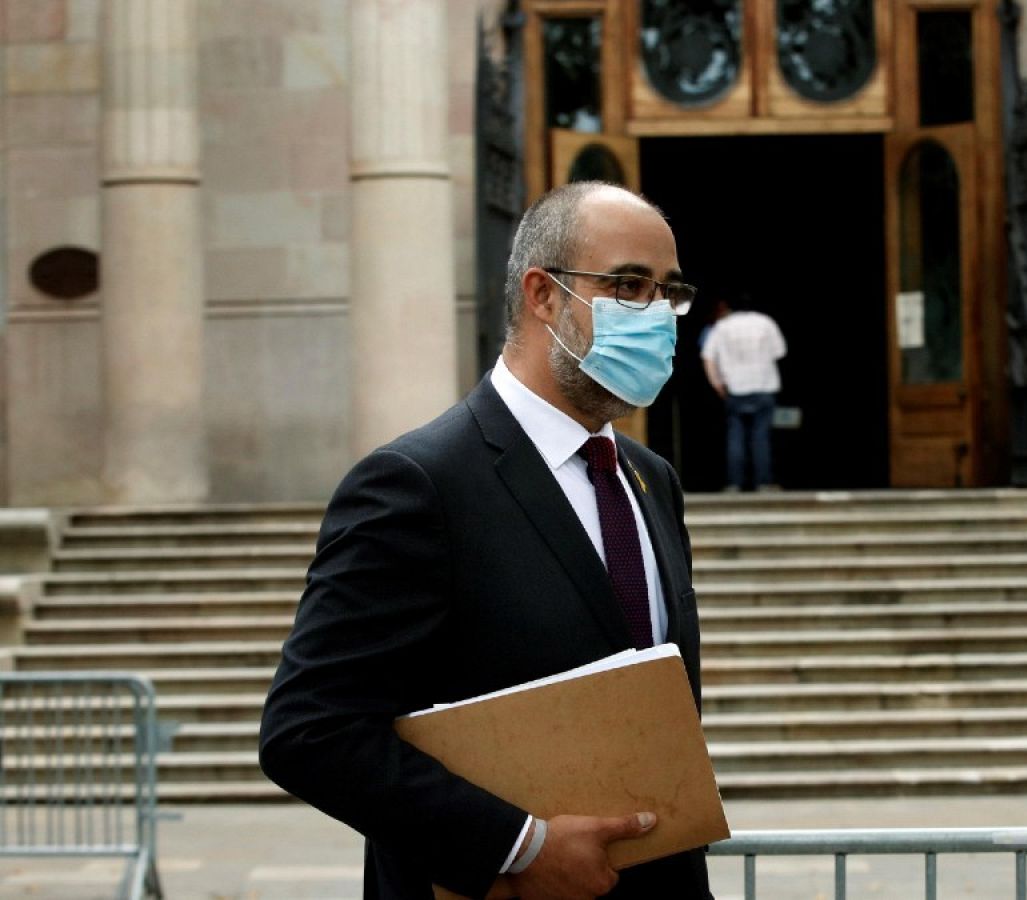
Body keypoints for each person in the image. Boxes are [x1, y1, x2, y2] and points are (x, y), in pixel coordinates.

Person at [259, 182, 712, 900]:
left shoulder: (650, 479)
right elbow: (310, 732)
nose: (656, 314)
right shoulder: (417, 484)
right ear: (543, 296)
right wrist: (516, 847)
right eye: (629, 284)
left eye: (669, 291)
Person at [700, 295, 786, 492]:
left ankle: (734, 483)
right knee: (761, 436)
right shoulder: (766, 322)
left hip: (735, 388)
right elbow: (779, 352)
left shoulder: (722, 327)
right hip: (764, 386)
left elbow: (707, 356)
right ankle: (763, 483)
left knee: (735, 436)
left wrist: (716, 383)